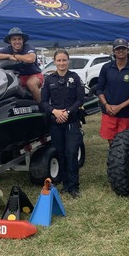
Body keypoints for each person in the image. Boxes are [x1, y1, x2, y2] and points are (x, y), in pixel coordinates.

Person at [40, 50, 85, 198]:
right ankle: (65, 185)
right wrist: (55, 112)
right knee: (61, 154)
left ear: (68, 61)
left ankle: (73, 187)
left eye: (64, 60)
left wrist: (67, 112)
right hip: (56, 123)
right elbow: (44, 102)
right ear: (54, 62)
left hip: (71, 121)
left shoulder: (75, 78)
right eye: (58, 60)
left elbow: (80, 99)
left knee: (71, 153)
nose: (61, 63)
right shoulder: (49, 80)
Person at [96, 38, 129, 146]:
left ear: (128, 50)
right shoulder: (106, 68)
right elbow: (99, 89)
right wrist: (106, 105)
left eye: (123, 48)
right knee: (111, 142)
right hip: (109, 112)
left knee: (124, 142)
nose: (120, 51)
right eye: (118, 49)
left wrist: (120, 107)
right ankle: (115, 160)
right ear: (113, 51)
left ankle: (124, 161)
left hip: (125, 113)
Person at [0, 26, 43, 102]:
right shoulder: (8, 49)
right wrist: (9, 56)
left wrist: (16, 56)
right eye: (14, 39)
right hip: (19, 77)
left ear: (23, 40)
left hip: (34, 75)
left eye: (19, 39)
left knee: (31, 84)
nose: (17, 42)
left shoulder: (28, 47)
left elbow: (30, 59)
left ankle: (42, 106)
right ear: (10, 41)